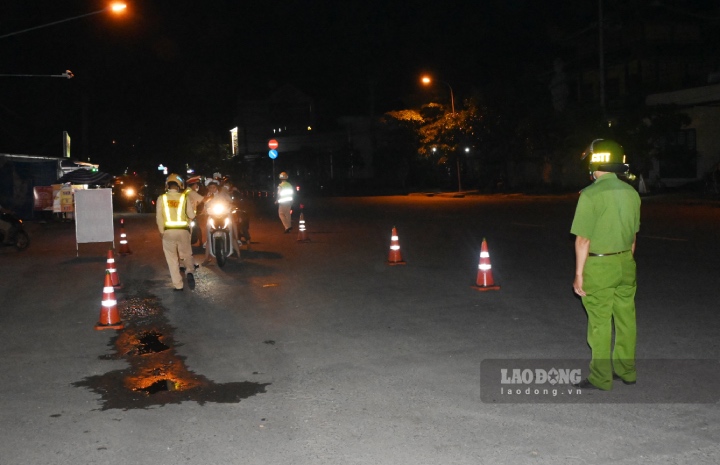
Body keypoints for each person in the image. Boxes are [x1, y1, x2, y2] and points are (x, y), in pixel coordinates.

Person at [571, 139, 641, 391]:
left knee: (600, 322)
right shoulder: (631, 192)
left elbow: (583, 239)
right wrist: (626, 261)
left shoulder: (591, 194)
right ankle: (627, 371)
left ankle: (601, 377)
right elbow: (633, 237)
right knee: (625, 319)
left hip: (600, 266)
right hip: (625, 263)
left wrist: (579, 274)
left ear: (593, 164)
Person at [156, 173, 197, 291]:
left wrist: (161, 231)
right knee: (186, 254)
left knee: (172, 259)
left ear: (167, 185)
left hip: (168, 232)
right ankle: (189, 271)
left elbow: (159, 217)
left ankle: (178, 285)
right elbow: (192, 215)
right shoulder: (184, 198)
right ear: (180, 185)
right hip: (183, 232)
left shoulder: (162, 198)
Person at [201, 178, 241, 265]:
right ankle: (206, 258)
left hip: (225, 215)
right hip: (212, 216)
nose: (212, 189)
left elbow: (231, 201)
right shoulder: (207, 196)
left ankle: (238, 255)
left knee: (231, 234)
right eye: (210, 187)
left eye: (214, 187)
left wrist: (232, 206)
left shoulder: (223, 194)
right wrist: (204, 211)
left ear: (217, 187)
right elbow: (205, 207)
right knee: (208, 237)